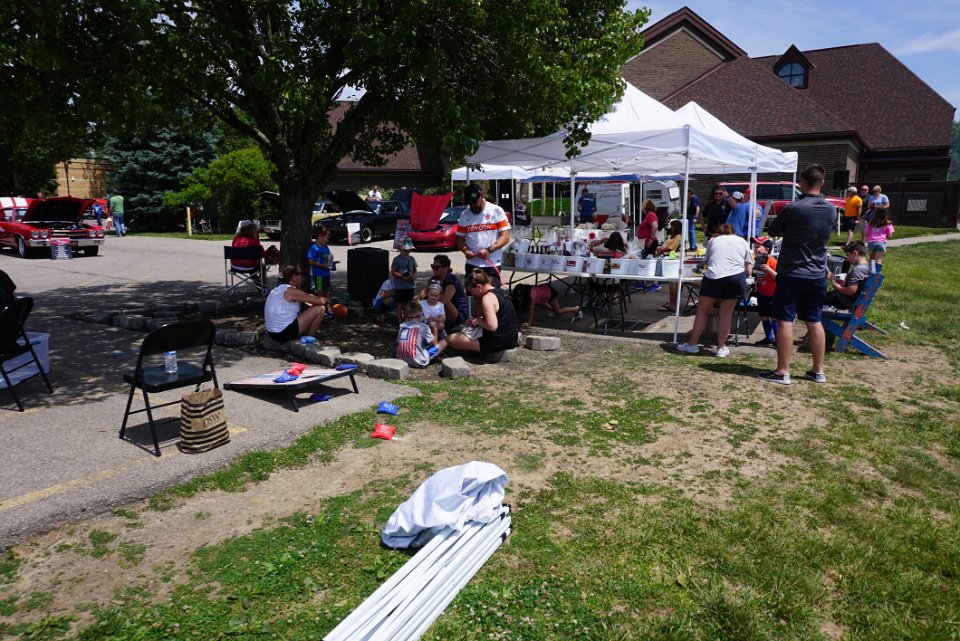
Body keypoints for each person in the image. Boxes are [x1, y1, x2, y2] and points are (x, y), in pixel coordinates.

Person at [761, 164, 834, 385]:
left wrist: (789, 230)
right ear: (821, 182)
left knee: (784, 320)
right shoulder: (831, 209)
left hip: (792, 272)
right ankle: (818, 371)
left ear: (802, 183)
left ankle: (783, 371)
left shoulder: (794, 207)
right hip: (817, 273)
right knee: (814, 320)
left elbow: (772, 230)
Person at [675, 224, 752, 358]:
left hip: (713, 277)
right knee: (726, 314)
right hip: (735, 277)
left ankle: (693, 344)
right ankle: (721, 347)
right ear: (733, 232)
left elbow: (707, 262)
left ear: (718, 233)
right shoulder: (743, 241)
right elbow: (749, 270)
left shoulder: (713, 241)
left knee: (702, 312)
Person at [445, 269, 519, 356]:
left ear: (479, 287)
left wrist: (478, 321)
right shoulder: (499, 291)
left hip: (498, 342)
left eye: (472, 291)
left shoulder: (487, 299)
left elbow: (492, 326)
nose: (473, 294)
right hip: (511, 337)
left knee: (450, 339)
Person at [455, 183, 511, 287]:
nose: (472, 206)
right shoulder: (465, 215)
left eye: (474, 203)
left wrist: (489, 250)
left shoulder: (496, 211)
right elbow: (459, 238)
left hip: (491, 265)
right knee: (472, 295)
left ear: (481, 195)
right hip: (472, 265)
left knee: (491, 295)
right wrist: (465, 250)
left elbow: (505, 237)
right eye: (470, 204)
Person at [264, 265, 332, 341]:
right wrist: (328, 300)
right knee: (320, 309)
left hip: (272, 332)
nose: (303, 277)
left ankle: (306, 335)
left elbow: (307, 298)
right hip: (283, 333)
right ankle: (309, 341)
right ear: (294, 277)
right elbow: (317, 301)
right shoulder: (290, 291)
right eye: (301, 274)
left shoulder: (279, 289)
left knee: (307, 307)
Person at [396, 301, 445, 368]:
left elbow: (398, 342)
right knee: (444, 342)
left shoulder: (402, 326)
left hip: (401, 359)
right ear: (420, 315)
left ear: (406, 316)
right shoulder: (423, 327)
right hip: (419, 361)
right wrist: (434, 327)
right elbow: (434, 342)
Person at [511, 283, 580, 329]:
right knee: (538, 304)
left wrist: (529, 323)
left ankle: (576, 308)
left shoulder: (532, 295)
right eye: (517, 297)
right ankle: (554, 311)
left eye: (520, 297)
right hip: (544, 293)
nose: (519, 299)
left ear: (524, 294)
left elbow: (532, 310)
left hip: (550, 293)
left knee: (558, 312)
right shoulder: (528, 292)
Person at [824, 241, 870, 309]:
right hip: (850, 300)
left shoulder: (857, 270)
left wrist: (836, 286)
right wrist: (835, 278)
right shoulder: (866, 266)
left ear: (855, 253)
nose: (847, 259)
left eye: (848, 255)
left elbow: (851, 291)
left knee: (814, 298)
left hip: (844, 301)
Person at [751, 236, 779, 347]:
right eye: (754, 247)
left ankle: (778, 340)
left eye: (758, 246)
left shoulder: (773, 262)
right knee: (763, 316)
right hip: (761, 293)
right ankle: (769, 338)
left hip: (773, 295)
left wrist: (769, 269)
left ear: (767, 250)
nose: (755, 249)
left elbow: (778, 278)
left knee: (774, 317)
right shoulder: (756, 261)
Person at [430, 254, 469, 330]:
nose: (434, 269)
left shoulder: (452, 281)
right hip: (443, 311)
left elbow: (444, 301)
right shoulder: (434, 279)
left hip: (458, 313)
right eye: (432, 266)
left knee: (441, 298)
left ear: (446, 268)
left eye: (436, 267)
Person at [656, 220, 684, 312]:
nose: (670, 228)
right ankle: (673, 302)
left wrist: (661, 248)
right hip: (671, 259)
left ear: (676, 227)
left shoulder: (678, 237)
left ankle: (672, 304)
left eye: (672, 226)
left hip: (672, 260)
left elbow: (670, 248)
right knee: (674, 282)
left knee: (673, 282)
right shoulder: (675, 236)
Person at [231, 221, 267, 289]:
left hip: (235, 266)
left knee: (249, 264)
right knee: (262, 267)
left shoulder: (236, 239)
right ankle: (263, 288)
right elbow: (262, 254)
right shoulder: (254, 241)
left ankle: (260, 287)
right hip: (250, 267)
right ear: (253, 230)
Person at [635, 200, 661, 293]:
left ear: (646, 207)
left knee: (649, 262)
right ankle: (644, 282)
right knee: (645, 261)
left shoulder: (651, 215)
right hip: (646, 242)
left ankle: (655, 284)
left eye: (643, 206)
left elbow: (655, 226)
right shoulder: (649, 215)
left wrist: (650, 239)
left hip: (650, 242)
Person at [391, 236, 418, 322]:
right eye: (406, 250)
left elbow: (415, 270)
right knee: (400, 305)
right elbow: (393, 272)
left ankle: (407, 320)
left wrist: (414, 276)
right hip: (400, 287)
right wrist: (402, 276)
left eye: (410, 249)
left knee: (408, 305)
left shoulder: (412, 259)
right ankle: (399, 321)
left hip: (410, 286)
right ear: (400, 248)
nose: (408, 251)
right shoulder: (397, 259)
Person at [307, 226, 335, 295]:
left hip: (326, 273)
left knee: (327, 291)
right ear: (320, 236)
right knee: (320, 291)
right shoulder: (314, 248)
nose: (327, 240)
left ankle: (327, 301)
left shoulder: (325, 247)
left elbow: (329, 256)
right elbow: (310, 261)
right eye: (326, 238)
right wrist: (322, 265)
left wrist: (331, 259)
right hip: (318, 275)